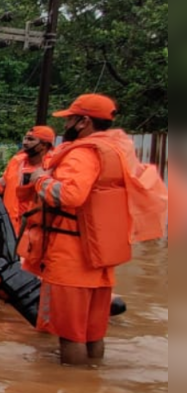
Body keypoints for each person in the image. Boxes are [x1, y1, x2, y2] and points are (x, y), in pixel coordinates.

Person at [30, 94, 168, 365]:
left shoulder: (83, 152)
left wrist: (40, 180)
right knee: (93, 334)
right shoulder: (117, 151)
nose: (66, 124)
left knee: (70, 336)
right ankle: (92, 388)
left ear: (83, 122)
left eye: (70, 118)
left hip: (72, 256)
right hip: (101, 255)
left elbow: (69, 195)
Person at [0, 126, 57, 271]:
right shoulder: (17, 161)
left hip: (36, 232)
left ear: (44, 145)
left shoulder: (54, 165)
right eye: (25, 138)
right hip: (10, 227)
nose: (25, 142)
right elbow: (2, 184)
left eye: (31, 139)